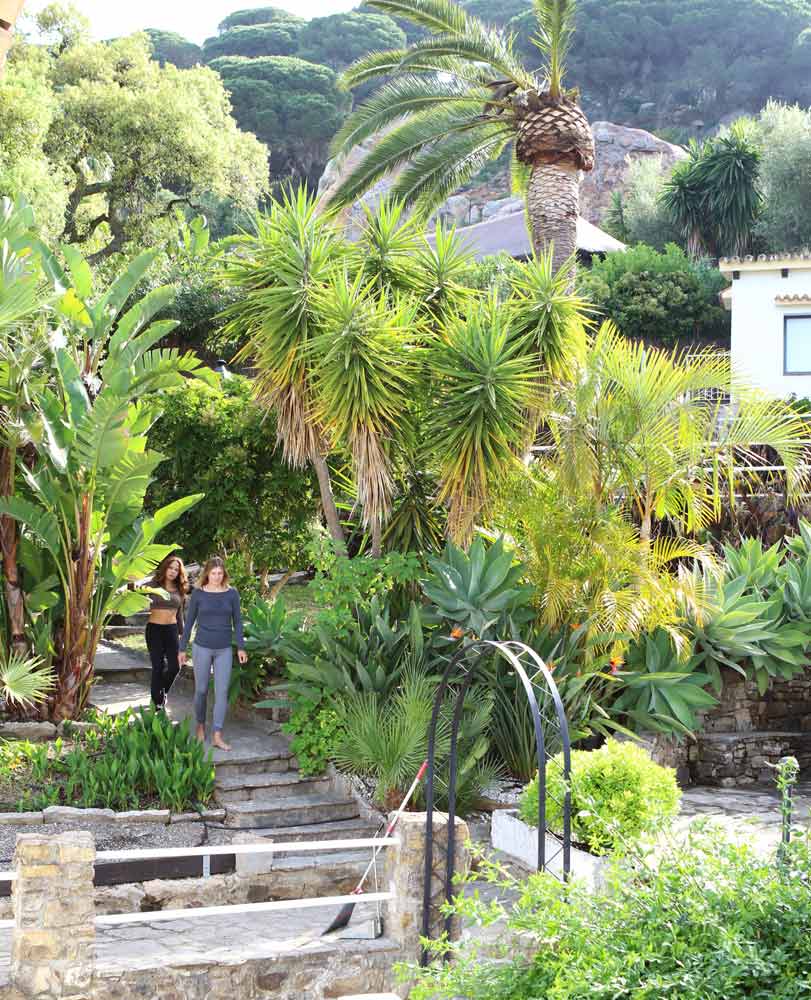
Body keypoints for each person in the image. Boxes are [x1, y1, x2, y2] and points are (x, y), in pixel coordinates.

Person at [178, 556, 247, 751]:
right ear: (207, 573)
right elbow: (189, 622)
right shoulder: (199, 594)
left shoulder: (232, 594)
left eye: (219, 573)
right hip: (202, 647)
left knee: (222, 692)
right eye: (213, 573)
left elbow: (238, 622)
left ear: (224, 574)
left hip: (224, 648)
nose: (216, 577)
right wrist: (182, 648)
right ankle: (200, 725)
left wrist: (240, 647)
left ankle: (217, 734)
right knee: (201, 690)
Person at [145, 554, 187, 710]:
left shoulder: (179, 589)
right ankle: (158, 704)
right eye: (171, 568)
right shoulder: (153, 585)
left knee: (175, 666)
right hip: (154, 630)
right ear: (165, 568)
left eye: (176, 569)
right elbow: (134, 589)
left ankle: (162, 692)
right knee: (158, 666)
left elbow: (179, 613)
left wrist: (182, 634)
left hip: (172, 630)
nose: (173, 571)